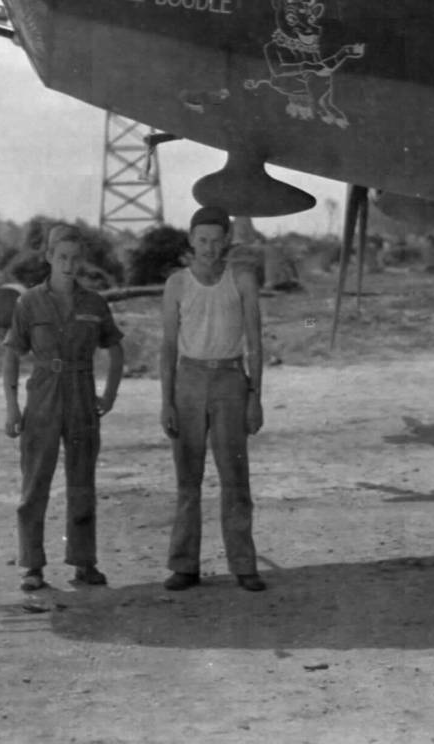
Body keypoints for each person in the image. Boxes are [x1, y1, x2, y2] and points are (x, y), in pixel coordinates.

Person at [3, 223, 124, 592]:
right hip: (43, 393)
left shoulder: (94, 303)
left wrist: (110, 393)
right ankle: (32, 566)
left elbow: (115, 348)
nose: (69, 265)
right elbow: (11, 352)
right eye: (62, 257)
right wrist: (11, 407)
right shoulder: (29, 303)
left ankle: (84, 563)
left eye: (75, 258)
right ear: (49, 258)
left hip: (82, 393)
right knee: (35, 481)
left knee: (82, 482)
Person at [160, 204, 266, 592]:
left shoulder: (242, 279)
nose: (208, 248)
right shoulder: (177, 284)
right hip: (188, 381)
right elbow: (168, 347)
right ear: (191, 240)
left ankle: (243, 564)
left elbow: (255, 342)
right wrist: (166, 401)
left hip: (230, 381)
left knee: (235, 477)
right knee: (188, 478)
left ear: (227, 242)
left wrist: (255, 397)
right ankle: (184, 565)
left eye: (216, 240)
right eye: (202, 240)